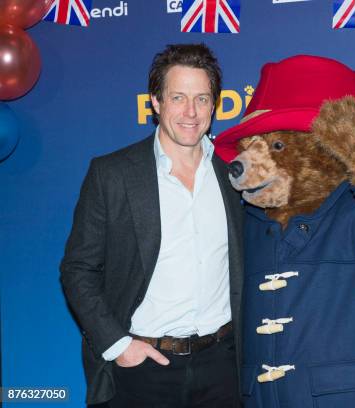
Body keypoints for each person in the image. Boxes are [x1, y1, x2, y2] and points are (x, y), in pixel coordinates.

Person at [60, 44, 243, 407]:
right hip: (142, 370)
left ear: (214, 105)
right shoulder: (112, 174)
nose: (191, 112)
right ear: (156, 103)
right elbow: (77, 269)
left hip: (223, 367)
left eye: (202, 99)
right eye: (178, 97)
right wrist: (118, 344)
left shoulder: (234, 173)